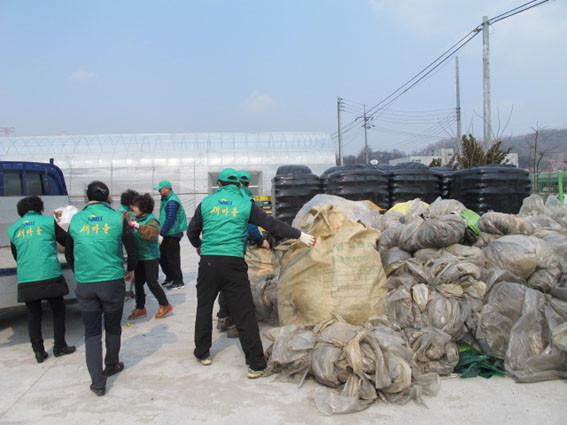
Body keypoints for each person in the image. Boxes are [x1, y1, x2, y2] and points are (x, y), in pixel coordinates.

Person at [187, 168, 316, 379]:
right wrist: (300, 235)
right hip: (233, 263)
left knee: (204, 307)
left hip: (209, 262)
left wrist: (199, 245)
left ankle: (202, 353)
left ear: (218, 185)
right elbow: (271, 225)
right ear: (239, 185)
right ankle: (256, 364)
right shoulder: (245, 204)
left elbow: (192, 231)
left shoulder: (206, 203)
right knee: (244, 313)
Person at [65, 181, 138, 397]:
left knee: (92, 332)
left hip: (86, 283)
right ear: (108, 197)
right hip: (112, 281)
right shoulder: (118, 218)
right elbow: (132, 250)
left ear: (87, 197)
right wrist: (130, 270)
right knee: (113, 326)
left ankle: (97, 382)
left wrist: (80, 272)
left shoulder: (76, 220)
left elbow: (69, 253)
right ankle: (112, 363)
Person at [8, 196, 76, 363]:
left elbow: (16, 254)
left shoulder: (14, 228)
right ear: (40, 208)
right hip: (49, 273)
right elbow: (66, 241)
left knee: (33, 314)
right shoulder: (48, 222)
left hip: (27, 277)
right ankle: (60, 346)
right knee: (58, 310)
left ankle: (38, 351)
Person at [216, 169, 269, 339]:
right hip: (237, 247)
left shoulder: (219, 200)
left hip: (218, 249)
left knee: (224, 285)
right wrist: (261, 241)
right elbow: (251, 226)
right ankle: (234, 324)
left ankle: (223, 317)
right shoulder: (245, 199)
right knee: (238, 288)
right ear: (246, 184)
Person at [126, 193, 173, 320]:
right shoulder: (133, 216)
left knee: (152, 282)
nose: (133, 208)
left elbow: (151, 233)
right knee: (138, 283)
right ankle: (140, 308)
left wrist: (137, 226)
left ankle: (165, 305)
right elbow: (123, 215)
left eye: (136, 207)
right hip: (139, 256)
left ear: (144, 209)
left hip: (150, 257)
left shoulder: (152, 221)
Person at [154, 180, 187, 290]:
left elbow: (170, 219)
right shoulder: (166, 200)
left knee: (173, 258)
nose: (159, 191)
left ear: (167, 189)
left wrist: (162, 234)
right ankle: (170, 277)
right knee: (163, 257)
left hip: (172, 233)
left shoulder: (172, 201)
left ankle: (178, 280)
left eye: (160, 189)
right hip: (167, 233)